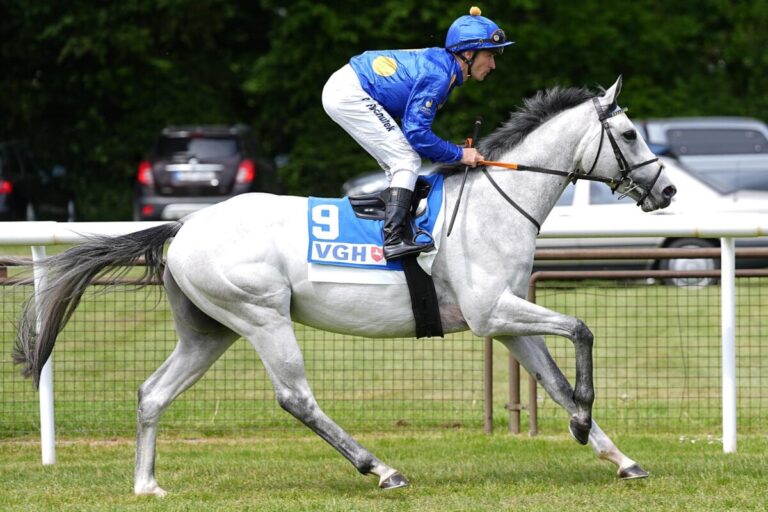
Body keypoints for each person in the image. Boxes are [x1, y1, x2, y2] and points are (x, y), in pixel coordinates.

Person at [322, 6, 513, 260]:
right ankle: (393, 240)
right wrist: (460, 154)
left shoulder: (444, 68)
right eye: (490, 55)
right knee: (406, 160)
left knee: (400, 161)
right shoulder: (439, 75)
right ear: (468, 53)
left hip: (348, 87)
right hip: (350, 92)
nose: (493, 64)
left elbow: (416, 132)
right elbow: (416, 134)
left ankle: (397, 226)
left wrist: (455, 152)